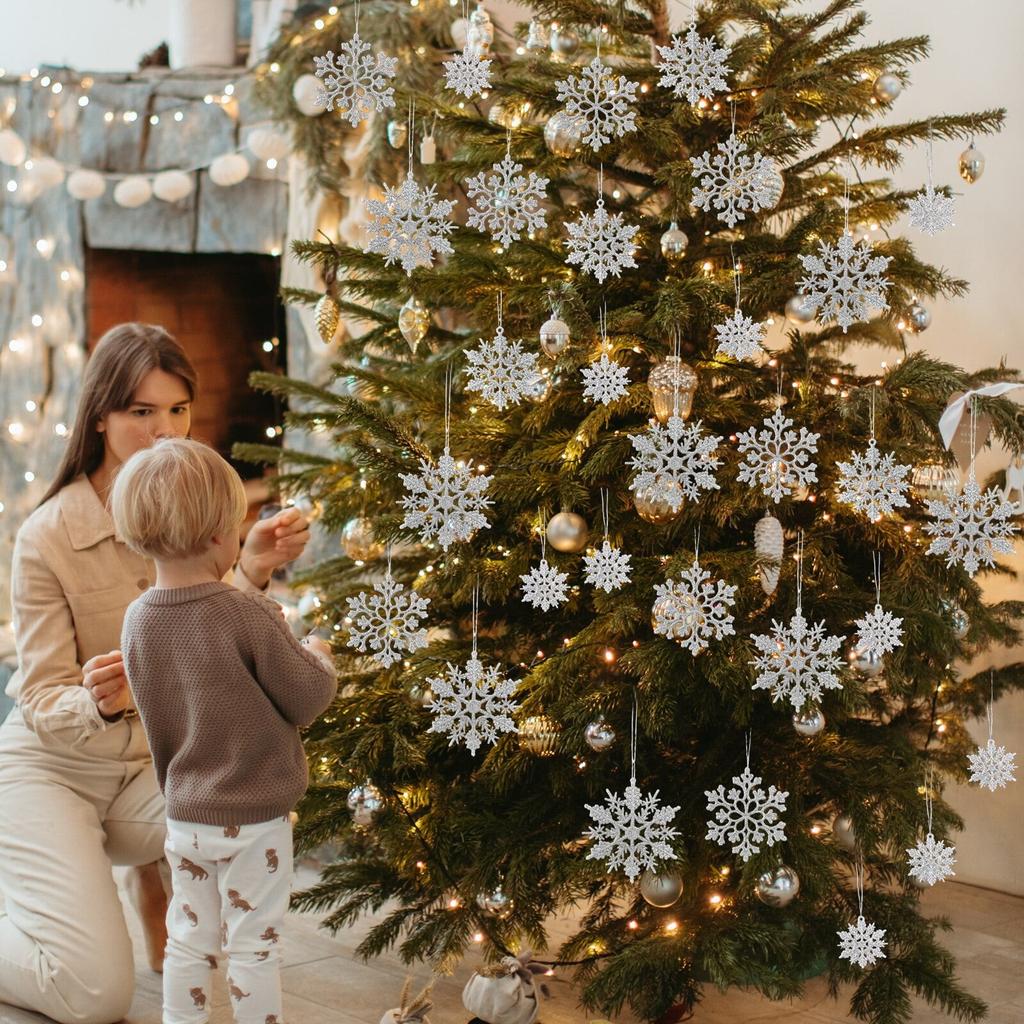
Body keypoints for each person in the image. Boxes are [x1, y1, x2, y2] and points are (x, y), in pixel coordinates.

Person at [0, 324, 311, 1024]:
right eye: (142, 412)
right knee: (94, 996)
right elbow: (44, 697)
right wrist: (98, 703)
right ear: (101, 417)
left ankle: (151, 891)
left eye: (178, 410)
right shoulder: (47, 537)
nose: (165, 429)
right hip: (54, 771)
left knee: (259, 783)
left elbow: (221, 642)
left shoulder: (196, 500)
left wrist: (250, 567)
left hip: (154, 771)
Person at [112, 437, 337, 1024]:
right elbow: (308, 696)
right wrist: (319, 652)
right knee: (252, 945)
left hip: (185, 815)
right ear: (220, 536)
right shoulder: (245, 612)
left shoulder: (136, 621)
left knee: (187, 938)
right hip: (254, 818)